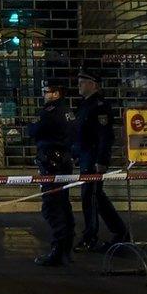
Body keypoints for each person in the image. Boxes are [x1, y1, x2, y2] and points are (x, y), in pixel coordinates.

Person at [72, 69, 129, 253]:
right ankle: (120, 232)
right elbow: (80, 133)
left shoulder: (100, 106)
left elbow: (105, 136)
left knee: (91, 197)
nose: (79, 85)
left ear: (93, 84)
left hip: (94, 158)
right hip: (85, 156)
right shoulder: (84, 105)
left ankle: (90, 237)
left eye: (82, 82)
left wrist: (102, 160)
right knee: (96, 197)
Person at [27, 78, 75, 266]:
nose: (44, 95)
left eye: (47, 91)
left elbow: (34, 130)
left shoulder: (51, 112)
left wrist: (31, 127)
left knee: (52, 206)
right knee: (63, 204)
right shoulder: (68, 111)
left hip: (52, 162)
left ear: (56, 94)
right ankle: (66, 248)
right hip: (64, 159)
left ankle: (59, 250)